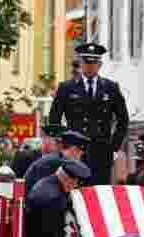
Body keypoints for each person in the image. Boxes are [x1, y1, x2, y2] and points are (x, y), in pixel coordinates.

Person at [47, 42, 129, 186]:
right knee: (74, 193)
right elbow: (54, 120)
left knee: (98, 195)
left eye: (94, 62)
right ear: (80, 63)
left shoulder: (111, 88)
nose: (90, 66)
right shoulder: (67, 88)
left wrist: (113, 147)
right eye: (86, 62)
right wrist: (64, 146)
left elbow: (123, 120)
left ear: (100, 64)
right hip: (75, 153)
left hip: (101, 152)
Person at [23, 130, 89, 197]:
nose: (79, 159)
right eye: (80, 154)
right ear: (74, 150)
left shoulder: (55, 159)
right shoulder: (55, 163)